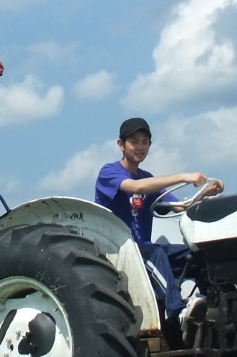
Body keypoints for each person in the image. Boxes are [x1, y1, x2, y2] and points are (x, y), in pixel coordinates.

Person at [94, 116, 222, 315]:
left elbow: (181, 207)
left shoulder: (148, 179)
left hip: (144, 250)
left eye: (144, 142)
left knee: (198, 254)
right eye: (134, 142)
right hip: (119, 250)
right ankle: (177, 311)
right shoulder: (109, 173)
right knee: (155, 254)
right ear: (121, 144)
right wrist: (182, 177)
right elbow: (135, 187)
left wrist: (206, 192)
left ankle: (212, 304)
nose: (140, 147)